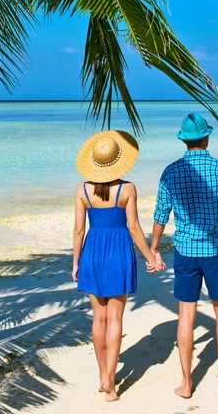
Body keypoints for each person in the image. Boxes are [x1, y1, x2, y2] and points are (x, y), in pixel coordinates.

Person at [151, 113, 218, 399]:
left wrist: (154, 247)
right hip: (216, 250)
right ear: (206, 138)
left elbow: (160, 215)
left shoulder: (170, 171)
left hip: (185, 252)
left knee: (186, 313)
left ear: (183, 140)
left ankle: (186, 382)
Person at [73, 130, 164, 402]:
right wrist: (150, 257)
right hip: (118, 253)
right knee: (115, 319)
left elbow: (79, 230)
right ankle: (110, 382)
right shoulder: (127, 189)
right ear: (118, 161)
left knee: (98, 319)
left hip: (92, 253)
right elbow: (134, 228)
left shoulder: (82, 190)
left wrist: (76, 261)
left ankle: (103, 374)